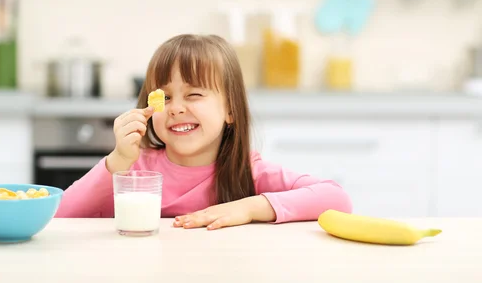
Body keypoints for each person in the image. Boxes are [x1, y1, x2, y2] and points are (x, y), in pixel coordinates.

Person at [54, 34, 352, 230]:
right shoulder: (133, 172)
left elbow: (336, 198)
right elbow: (59, 217)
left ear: (230, 110)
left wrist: (250, 207)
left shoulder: (247, 171)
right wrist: (117, 160)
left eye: (194, 95)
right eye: (164, 97)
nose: (175, 108)